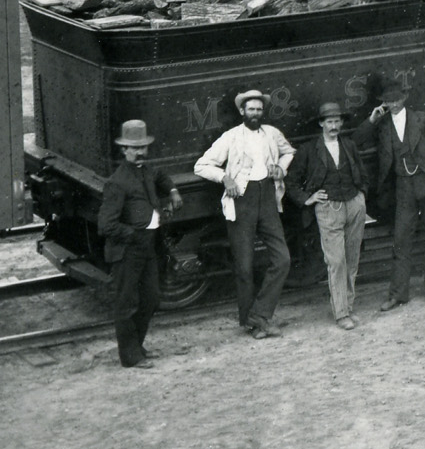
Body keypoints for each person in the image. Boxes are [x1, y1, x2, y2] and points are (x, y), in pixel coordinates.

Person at [193, 89, 294, 338]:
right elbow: (201, 165)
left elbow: (289, 151)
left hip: (268, 198)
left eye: (259, 109)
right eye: (251, 109)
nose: (255, 113)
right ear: (242, 111)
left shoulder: (271, 134)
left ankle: (259, 314)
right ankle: (253, 323)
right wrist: (224, 177)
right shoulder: (231, 137)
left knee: (283, 259)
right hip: (242, 202)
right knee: (244, 267)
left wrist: (281, 167)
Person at [98, 118, 181, 369]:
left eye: (143, 147)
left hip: (148, 247)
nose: (140, 152)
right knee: (127, 303)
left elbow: (161, 176)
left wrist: (174, 190)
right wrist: (133, 234)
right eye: (134, 148)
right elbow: (105, 225)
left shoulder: (146, 170)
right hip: (128, 250)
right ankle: (130, 356)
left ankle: (138, 347)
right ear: (124, 150)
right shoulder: (117, 182)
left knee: (151, 298)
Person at [362, 83, 425, 309]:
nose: (392, 104)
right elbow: (356, 140)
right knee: (401, 240)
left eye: (396, 100)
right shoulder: (382, 125)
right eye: (388, 101)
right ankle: (398, 294)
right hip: (403, 187)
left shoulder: (421, 118)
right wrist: (372, 119)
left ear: (404, 99)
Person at [293, 100, 368, 330]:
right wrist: (308, 198)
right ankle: (341, 313)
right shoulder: (309, 149)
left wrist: (361, 196)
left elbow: (361, 172)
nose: (334, 125)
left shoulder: (349, 145)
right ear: (321, 124)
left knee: (352, 258)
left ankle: (348, 306)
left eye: (337, 121)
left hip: (354, 204)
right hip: (329, 209)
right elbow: (291, 180)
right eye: (329, 122)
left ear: (342, 123)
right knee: (336, 261)